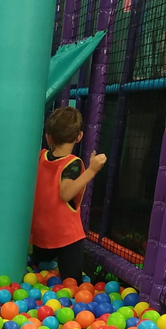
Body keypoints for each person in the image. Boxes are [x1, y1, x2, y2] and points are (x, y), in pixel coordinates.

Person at [29, 106, 107, 282]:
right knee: (72, 283)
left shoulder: (41, 157)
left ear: (48, 137)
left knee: (37, 272)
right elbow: (65, 194)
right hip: (67, 238)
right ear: (79, 136)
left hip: (42, 235)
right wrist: (92, 170)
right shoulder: (72, 164)